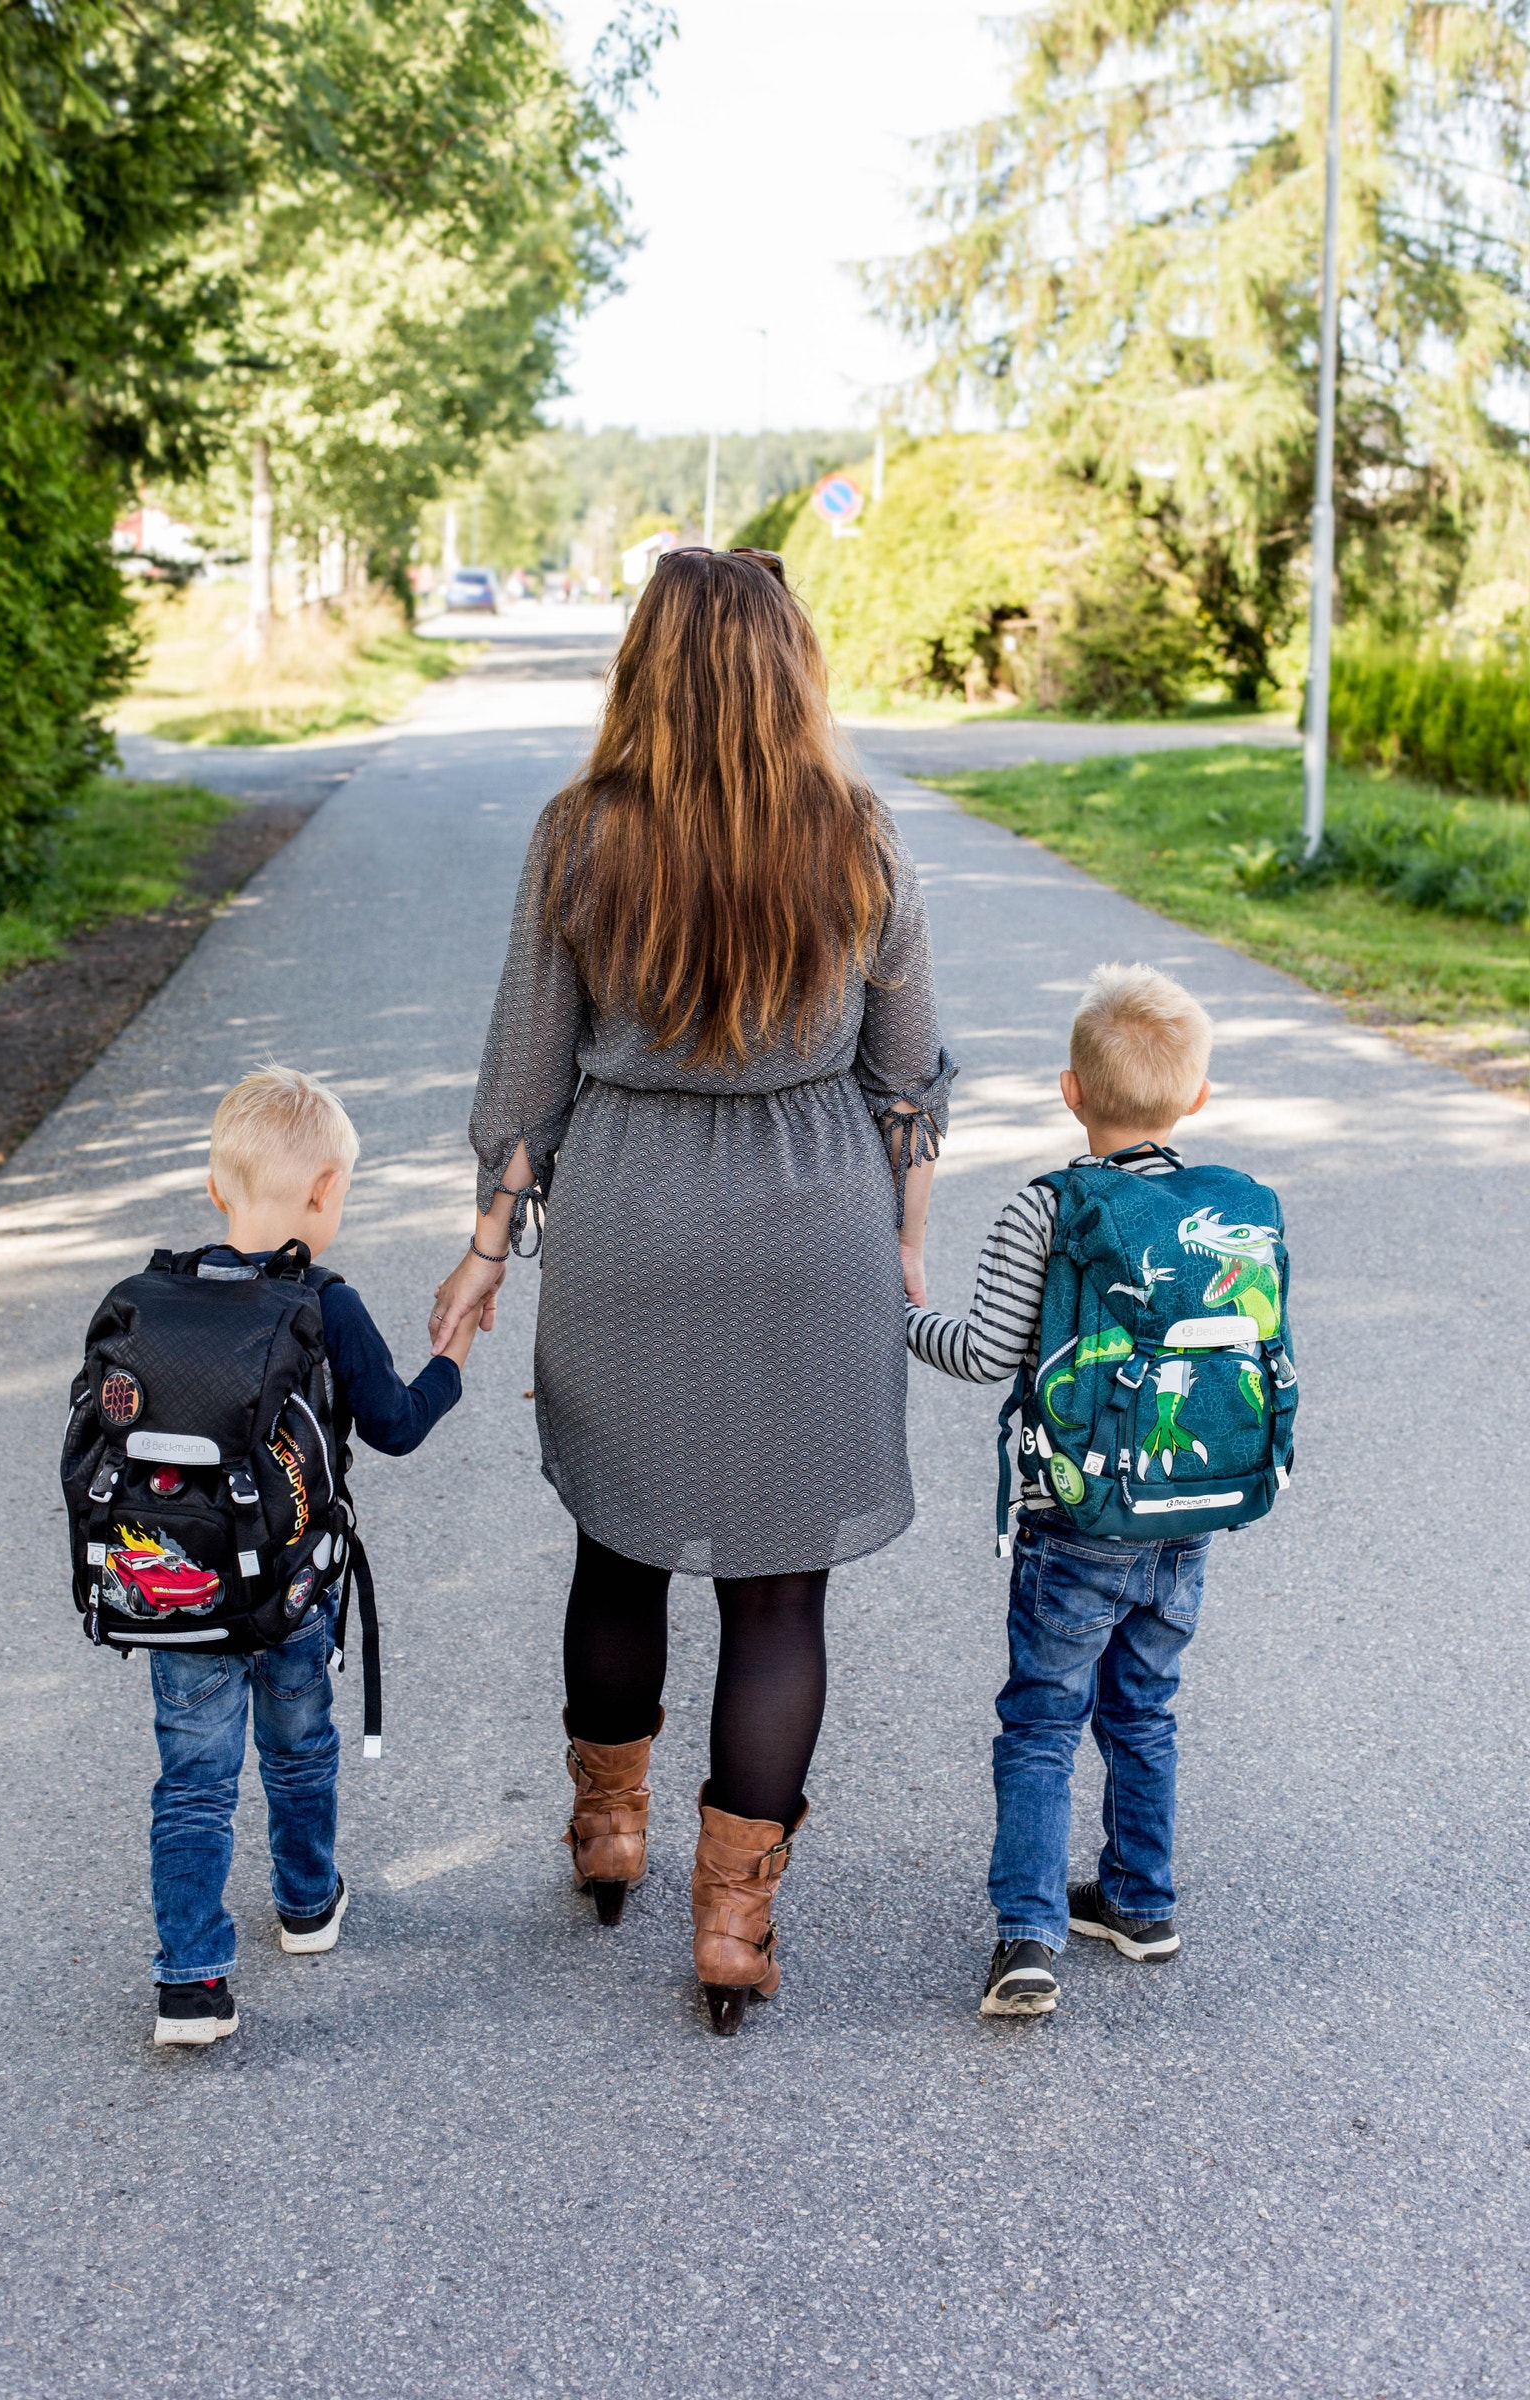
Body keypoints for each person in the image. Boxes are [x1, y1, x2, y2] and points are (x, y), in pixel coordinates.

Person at [428, 549, 953, 2036]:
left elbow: (525, 1084)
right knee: (780, 1592)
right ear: (795, 667)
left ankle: (609, 1833)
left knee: (620, 1545)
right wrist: (901, 1241)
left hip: (633, 1228)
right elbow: (906, 1078)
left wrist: (483, 1253)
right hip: (816, 1231)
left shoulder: (579, 837)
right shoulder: (859, 835)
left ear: (645, 664)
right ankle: (734, 1925)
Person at [908, 963, 1229, 2020]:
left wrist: (900, 1313)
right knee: (1145, 1713)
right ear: (1195, 1100)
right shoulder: (1221, 1215)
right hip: (1184, 1516)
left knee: (1043, 1722)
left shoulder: (1043, 1210)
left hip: (1073, 1519)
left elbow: (983, 1350)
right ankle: (1141, 1902)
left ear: (1070, 1092)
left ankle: (1029, 1936)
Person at [149, 1067, 480, 2046]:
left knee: (193, 1782)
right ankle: (304, 1905)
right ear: (327, 1193)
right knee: (298, 1748)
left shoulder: (158, 1301)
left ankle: (191, 1983)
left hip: (178, 1590)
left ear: (217, 1190)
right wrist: (452, 1362)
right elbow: (394, 1423)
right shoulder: (326, 1302)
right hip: (291, 1593)